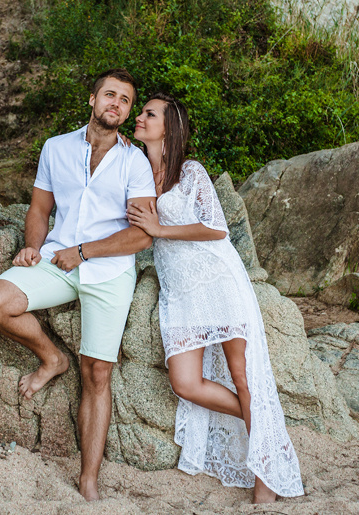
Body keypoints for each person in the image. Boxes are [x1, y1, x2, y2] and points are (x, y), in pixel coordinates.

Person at [0, 69, 157, 501]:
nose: (116, 103)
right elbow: (40, 208)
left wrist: (87, 251)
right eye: (109, 95)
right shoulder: (56, 148)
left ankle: (88, 482)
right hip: (56, 260)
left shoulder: (135, 162)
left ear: (128, 111)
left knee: (97, 373)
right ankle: (52, 358)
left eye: (125, 100)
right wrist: (31, 247)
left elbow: (141, 235)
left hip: (109, 270)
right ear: (92, 100)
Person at [126, 93, 305, 503]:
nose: (140, 117)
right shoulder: (137, 171)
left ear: (169, 127)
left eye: (148, 114)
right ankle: (266, 432)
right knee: (185, 383)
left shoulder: (190, 172)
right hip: (180, 293)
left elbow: (215, 229)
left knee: (242, 375)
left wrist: (160, 230)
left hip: (217, 280)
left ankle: (265, 481)